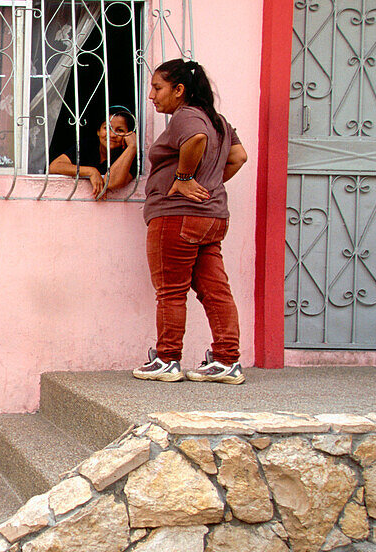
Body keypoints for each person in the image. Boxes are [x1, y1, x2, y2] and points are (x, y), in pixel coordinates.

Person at [132, 59, 248, 384]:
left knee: (170, 290)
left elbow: (195, 139)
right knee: (216, 290)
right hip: (211, 218)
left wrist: (184, 178)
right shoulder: (217, 120)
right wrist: (211, 183)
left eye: (157, 88)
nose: (152, 96)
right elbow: (239, 157)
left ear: (179, 90)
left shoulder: (187, 116)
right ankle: (227, 360)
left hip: (176, 215)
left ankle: (167, 358)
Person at [48, 107, 139, 199]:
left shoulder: (132, 155)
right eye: (107, 128)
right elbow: (54, 166)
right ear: (98, 131)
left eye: (120, 130)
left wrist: (132, 147)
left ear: (129, 134)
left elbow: (111, 182)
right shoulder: (88, 145)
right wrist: (91, 171)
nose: (112, 135)